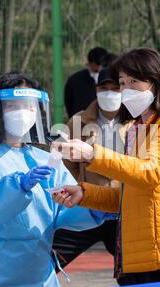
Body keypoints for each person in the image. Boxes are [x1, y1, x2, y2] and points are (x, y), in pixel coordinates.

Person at [52, 48, 160, 286]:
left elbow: (152, 172)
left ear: (155, 82)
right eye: (122, 83)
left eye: (133, 82)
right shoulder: (139, 129)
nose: (126, 90)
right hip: (139, 257)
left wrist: (93, 154)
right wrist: (85, 193)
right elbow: (129, 195)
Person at [0, 72, 115, 287]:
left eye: (29, 106)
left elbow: (64, 207)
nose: (22, 113)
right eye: (14, 106)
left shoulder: (43, 159)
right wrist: (17, 186)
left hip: (39, 277)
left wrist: (95, 207)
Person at [52, 68, 131, 268]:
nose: (110, 93)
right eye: (104, 88)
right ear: (96, 89)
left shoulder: (134, 122)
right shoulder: (79, 120)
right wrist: (80, 181)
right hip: (88, 206)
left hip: (123, 209)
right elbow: (65, 158)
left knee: (132, 271)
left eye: (115, 88)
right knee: (50, 258)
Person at [64, 47, 108, 118]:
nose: (100, 69)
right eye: (97, 65)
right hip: (80, 121)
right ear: (90, 63)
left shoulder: (112, 79)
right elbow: (69, 104)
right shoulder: (74, 80)